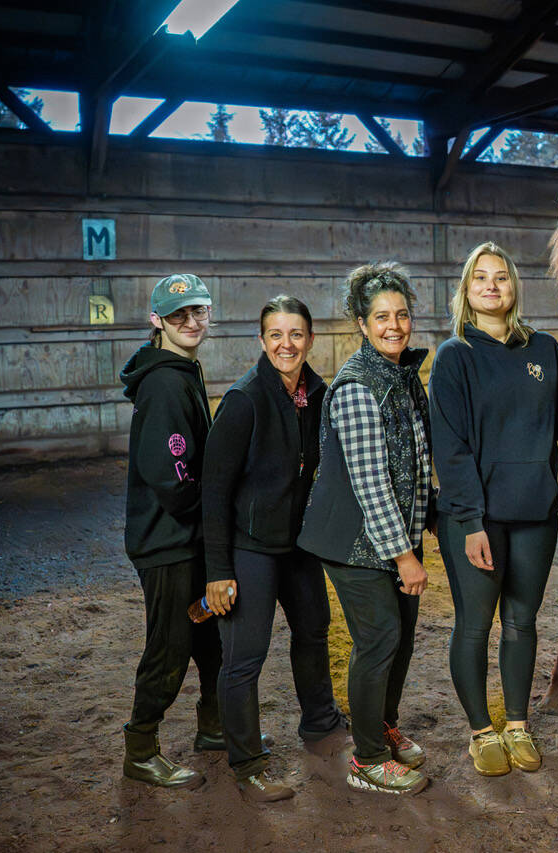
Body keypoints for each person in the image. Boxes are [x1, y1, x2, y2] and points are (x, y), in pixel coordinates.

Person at [429, 242, 558, 777]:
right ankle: (482, 732)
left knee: (522, 622)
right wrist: (470, 522)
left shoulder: (544, 350)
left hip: (533, 514)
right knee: (475, 625)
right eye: (481, 277)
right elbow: (451, 449)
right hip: (475, 518)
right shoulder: (455, 356)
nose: (492, 285)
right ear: (467, 289)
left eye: (501, 276)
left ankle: (518, 725)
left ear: (513, 287)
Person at [200, 295, 348, 804]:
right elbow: (213, 492)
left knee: (314, 631)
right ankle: (247, 764)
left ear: (310, 338)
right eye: (276, 335)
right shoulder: (244, 400)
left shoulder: (318, 393)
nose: (287, 344)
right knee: (245, 656)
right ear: (262, 341)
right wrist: (217, 570)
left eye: (296, 334)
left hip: (298, 545)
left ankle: (321, 724)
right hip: (251, 546)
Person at [299, 263, 434, 796]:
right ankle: (368, 760)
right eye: (381, 317)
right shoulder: (358, 386)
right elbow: (371, 483)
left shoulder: (402, 376)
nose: (393, 326)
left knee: (400, 637)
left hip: (392, 535)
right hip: (354, 542)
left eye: (401, 315)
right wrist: (404, 556)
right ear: (361, 322)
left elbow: (416, 462)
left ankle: (382, 726)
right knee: (379, 639)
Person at [118, 273, 223, 789]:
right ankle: (140, 749)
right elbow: (171, 476)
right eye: (179, 314)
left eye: (198, 311)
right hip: (167, 541)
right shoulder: (163, 383)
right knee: (169, 646)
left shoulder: (183, 368)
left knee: (211, 636)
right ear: (157, 320)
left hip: (187, 537)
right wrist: (213, 512)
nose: (191, 321)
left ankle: (215, 728)